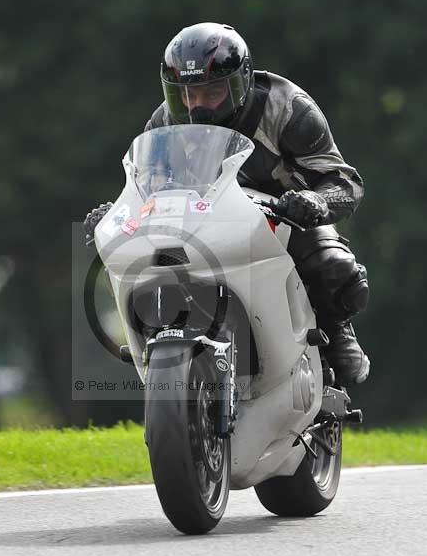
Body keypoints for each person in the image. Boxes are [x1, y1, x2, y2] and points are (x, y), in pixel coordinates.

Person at [84, 22, 370, 386]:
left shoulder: (288, 107)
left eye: (213, 90)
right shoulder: (163, 122)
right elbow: (146, 191)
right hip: (205, 223)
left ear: (241, 82)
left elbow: (345, 180)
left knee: (334, 267)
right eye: (187, 94)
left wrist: (315, 201)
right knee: (145, 261)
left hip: (285, 215)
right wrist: (116, 217)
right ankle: (158, 340)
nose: (198, 104)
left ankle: (335, 330)